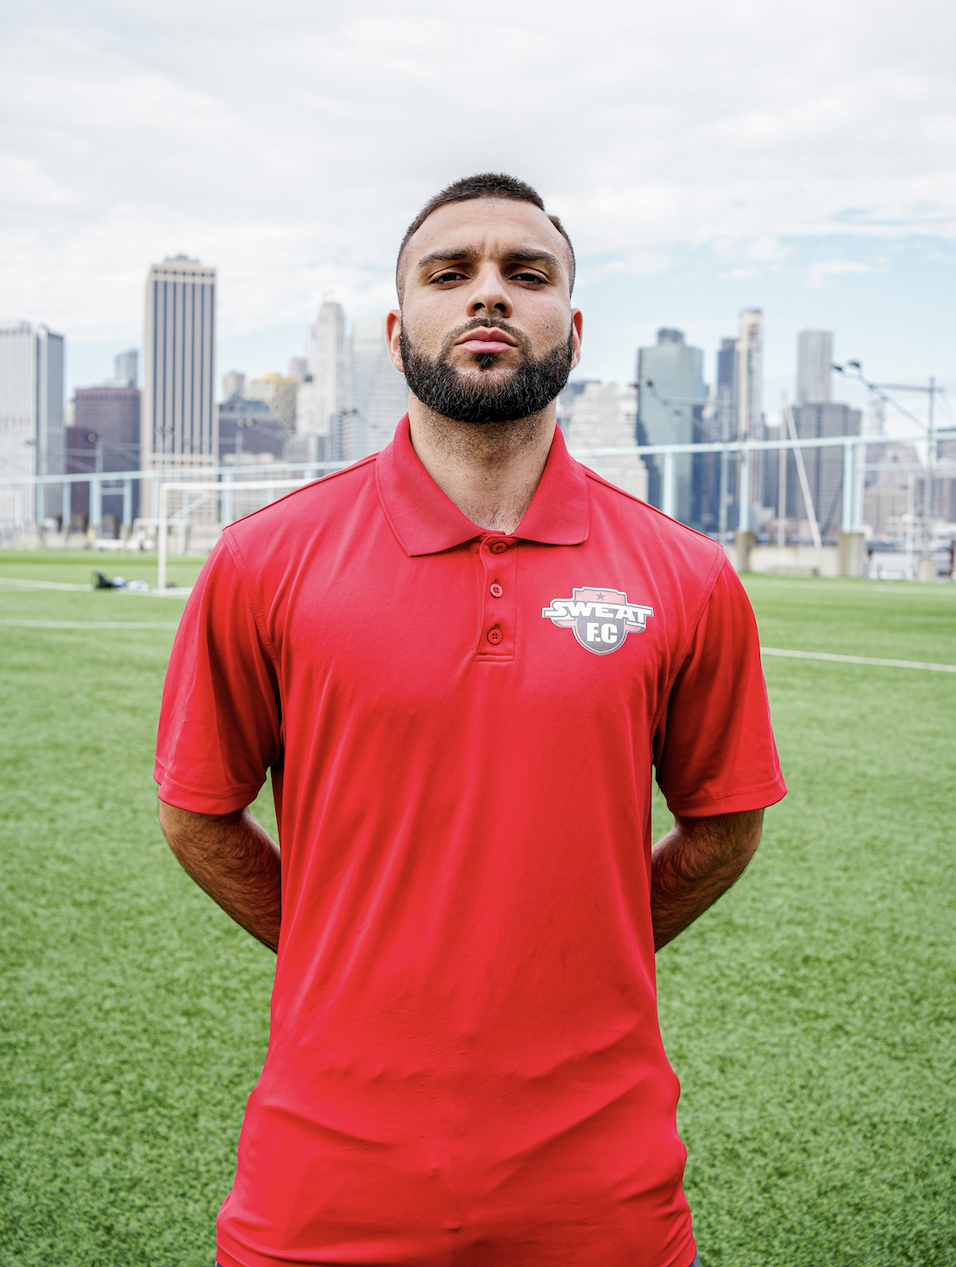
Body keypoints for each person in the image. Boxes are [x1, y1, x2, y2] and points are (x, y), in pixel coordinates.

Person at [156, 173, 786, 1267]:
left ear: (570, 326)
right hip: (324, 1174)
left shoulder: (685, 575)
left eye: (523, 273)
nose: (487, 295)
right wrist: (337, 953)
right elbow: (197, 812)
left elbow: (724, 824)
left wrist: (582, 954)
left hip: (602, 1182)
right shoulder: (265, 559)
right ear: (400, 329)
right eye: (450, 274)